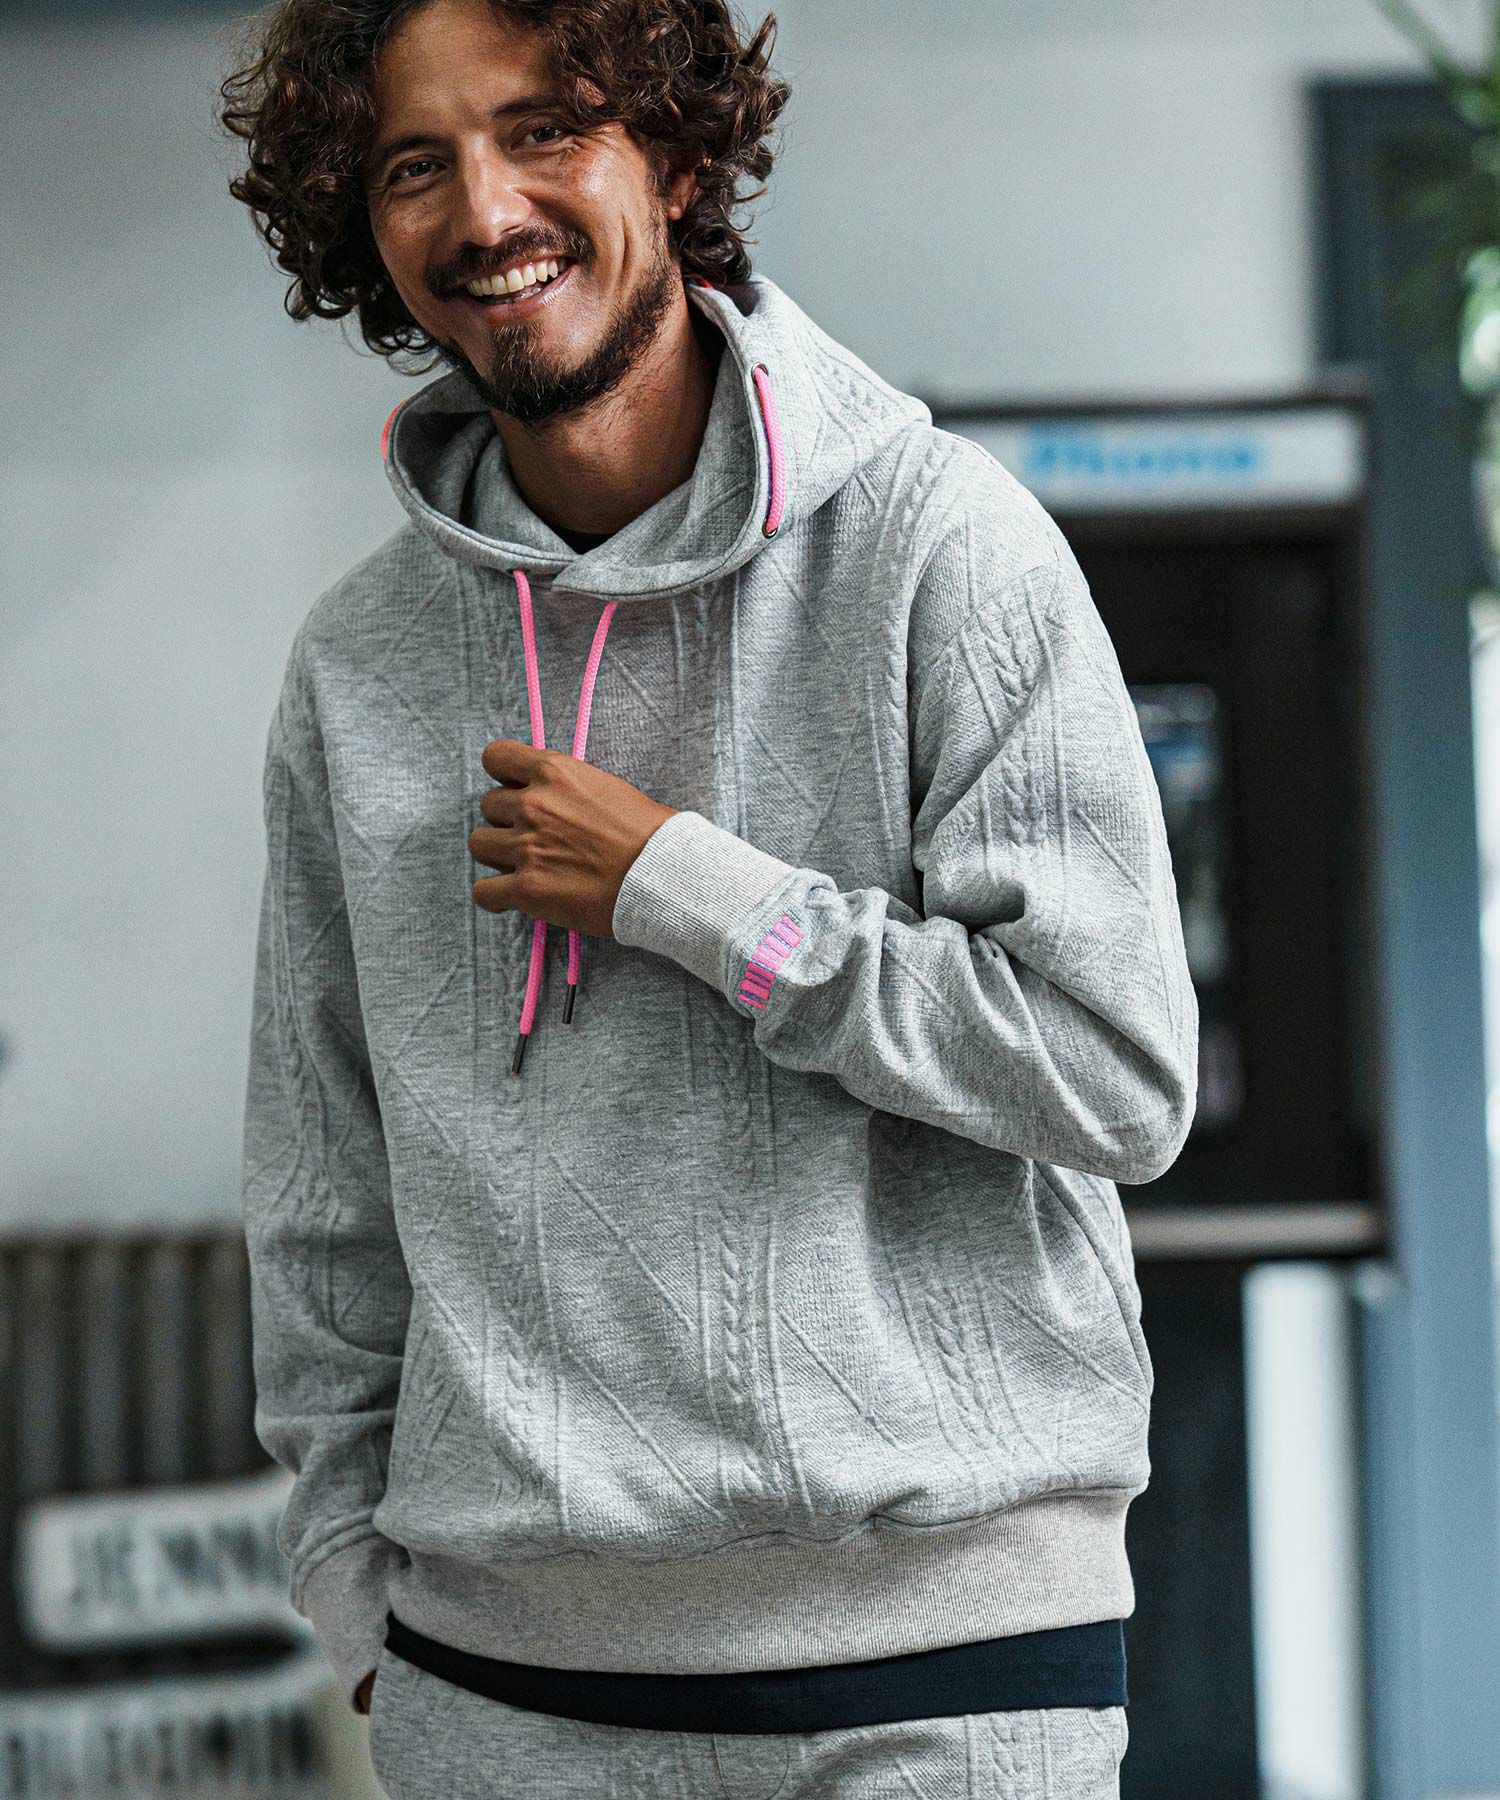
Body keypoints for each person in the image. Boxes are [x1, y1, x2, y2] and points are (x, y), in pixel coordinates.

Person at [219, 0, 1198, 1794]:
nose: (484, 210)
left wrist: (689, 891)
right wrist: (352, 1582)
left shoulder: (943, 549)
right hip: (501, 1690)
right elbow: (325, 1179)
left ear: (675, 157)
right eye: (415, 165)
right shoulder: (359, 664)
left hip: (943, 1671)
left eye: (544, 129)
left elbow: (1115, 1072)